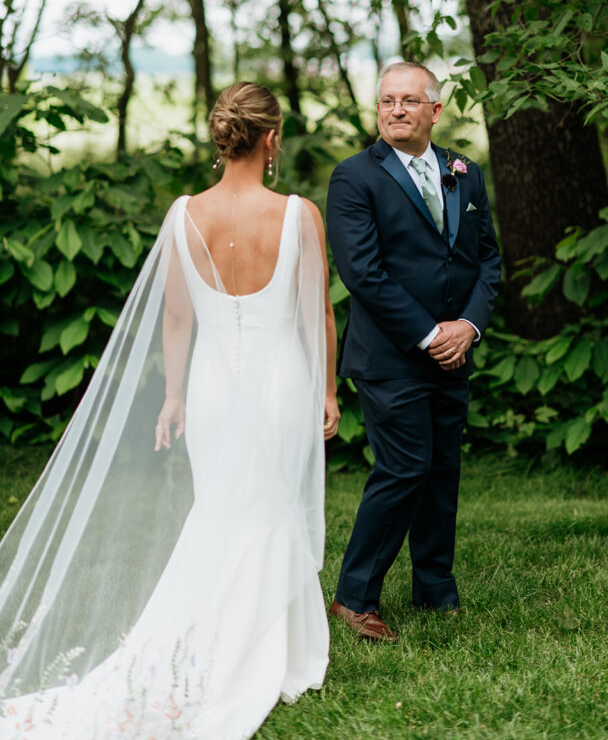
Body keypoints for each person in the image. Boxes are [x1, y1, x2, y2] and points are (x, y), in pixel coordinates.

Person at [0, 82, 340, 739]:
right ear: (271, 140)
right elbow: (316, 315)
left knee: (223, 512)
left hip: (211, 390)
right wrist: (326, 391)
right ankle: (259, 652)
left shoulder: (185, 216)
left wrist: (177, 395)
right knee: (268, 513)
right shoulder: (298, 214)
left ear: (224, 139)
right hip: (278, 385)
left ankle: (245, 640)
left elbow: (178, 316)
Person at [327, 62, 501, 641]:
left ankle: (434, 586)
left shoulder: (464, 172)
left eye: (407, 100)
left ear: (435, 109)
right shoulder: (355, 177)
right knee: (404, 468)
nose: (395, 110)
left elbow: (488, 259)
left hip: (455, 352)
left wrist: (468, 327)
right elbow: (363, 273)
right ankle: (354, 597)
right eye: (386, 101)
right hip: (390, 357)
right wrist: (432, 335)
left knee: (442, 471)